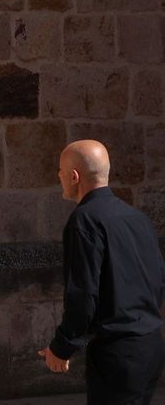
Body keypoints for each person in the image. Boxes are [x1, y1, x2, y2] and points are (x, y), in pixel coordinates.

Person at [38, 139, 165, 404]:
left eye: (61, 171)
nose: (58, 176)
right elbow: (157, 280)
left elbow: (83, 294)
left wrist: (62, 347)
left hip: (117, 354)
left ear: (74, 176)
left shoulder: (84, 220)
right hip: (150, 346)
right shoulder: (137, 218)